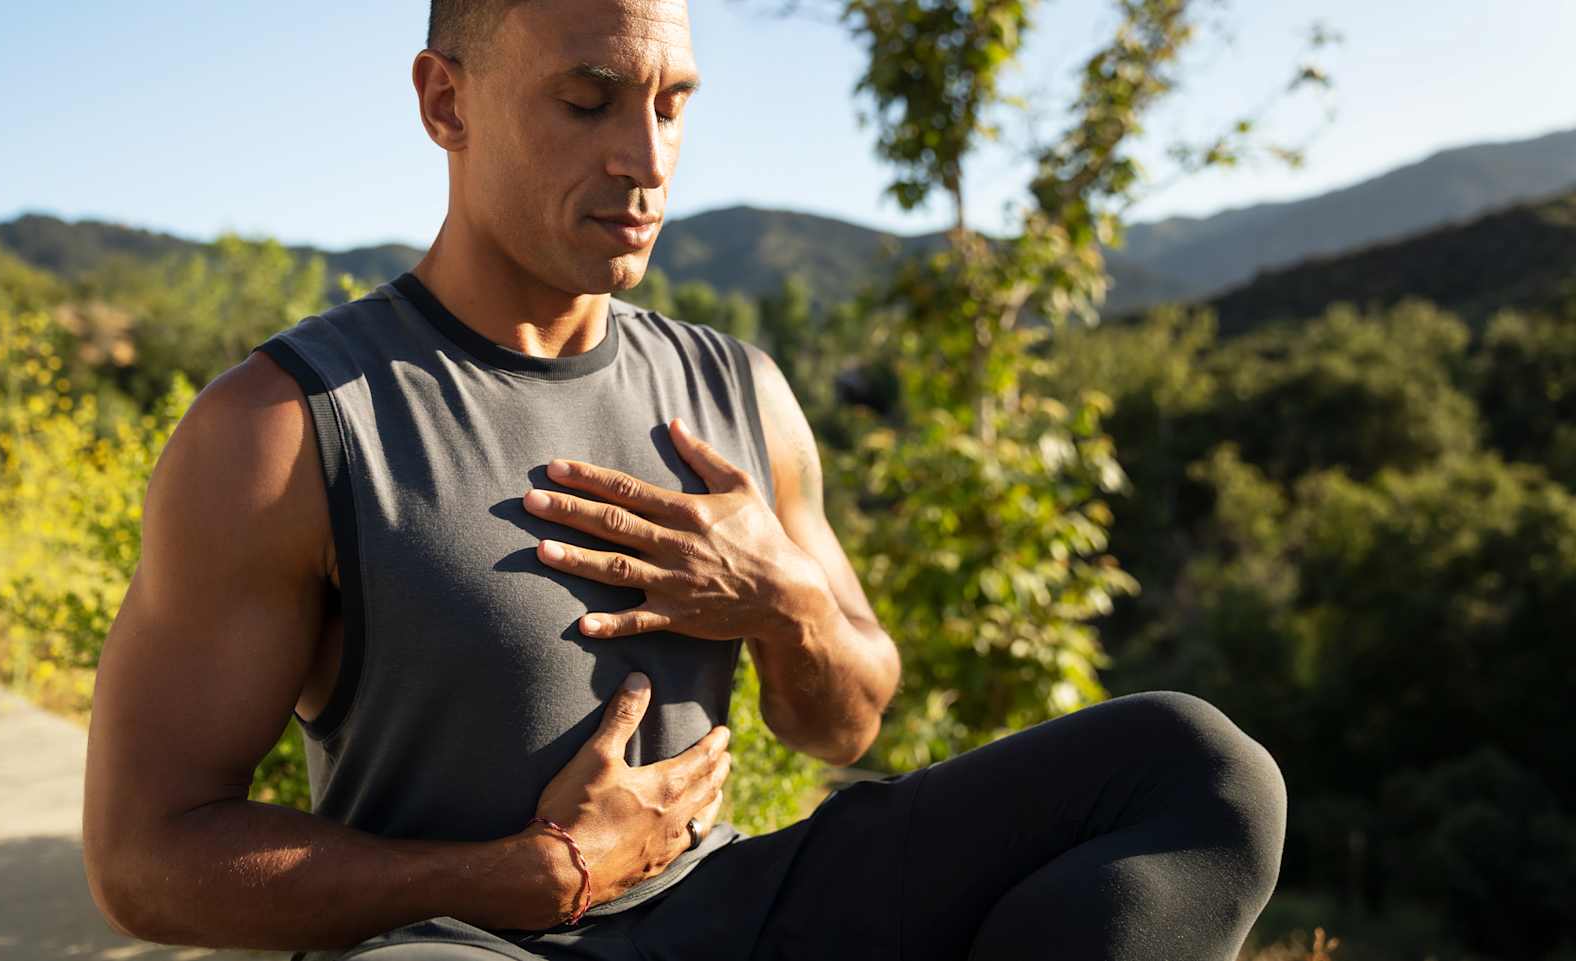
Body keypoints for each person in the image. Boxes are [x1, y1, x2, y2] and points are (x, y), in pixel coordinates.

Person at [80, 0, 1289, 958]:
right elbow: (146, 859)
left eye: (671, 103)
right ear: (446, 101)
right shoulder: (285, 428)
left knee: (1193, 765)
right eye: (589, 100)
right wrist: (525, 876)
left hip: (742, 907)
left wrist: (791, 603)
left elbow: (845, 722)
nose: (645, 157)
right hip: (465, 942)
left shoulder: (740, 391)